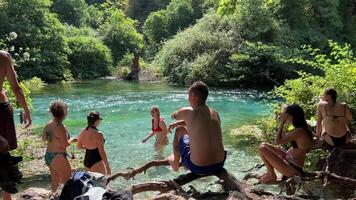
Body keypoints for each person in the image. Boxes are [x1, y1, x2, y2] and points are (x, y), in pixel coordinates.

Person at [167, 81, 226, 175]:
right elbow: (203, 126)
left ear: (193, 95)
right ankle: (190, 159)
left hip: (199, 168)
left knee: (180, 129)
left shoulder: (188, 111)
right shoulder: (215, 113)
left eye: (188, 95)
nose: (188, 98)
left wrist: (177, 118)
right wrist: (181, 122)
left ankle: (175, 163)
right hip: (220, 164)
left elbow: (173, 115)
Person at [0, 51, 32, 200]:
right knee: (5, 159)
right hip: (2, 110)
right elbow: (16, 88)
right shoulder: (4, 56)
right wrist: (26, 110)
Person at [258, 104, 313, 184]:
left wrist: (282, 122)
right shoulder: (302, 128)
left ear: (291, 116)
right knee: (264, 144)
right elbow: (284, 137)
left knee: (262, 148)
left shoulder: (299, 131)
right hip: (289, 160)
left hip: (292, 168)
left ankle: (272, 175)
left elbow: (278, 141)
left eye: (286, 115)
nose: (285, 117)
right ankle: (270, 173)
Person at [42, 100, 76, 192]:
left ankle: (53, 197)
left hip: (48, 155)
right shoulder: (61, 126)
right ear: (64, 112)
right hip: (58, 156)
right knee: (68, 182)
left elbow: (44, 138)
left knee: (55, 182)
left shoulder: (48, 125)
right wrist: (72, 140)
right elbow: (65, 144)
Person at [77, 112, 111, 176]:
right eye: (99, 120)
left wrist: (88, 147)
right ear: (96, 121)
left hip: (87, 161)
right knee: (102, 183)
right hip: (97, 161)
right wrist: (107, 166)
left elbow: (79, 146)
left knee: (91, 183)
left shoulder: (83, 132)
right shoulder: (98, 134)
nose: (100, 121)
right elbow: (102, 152)